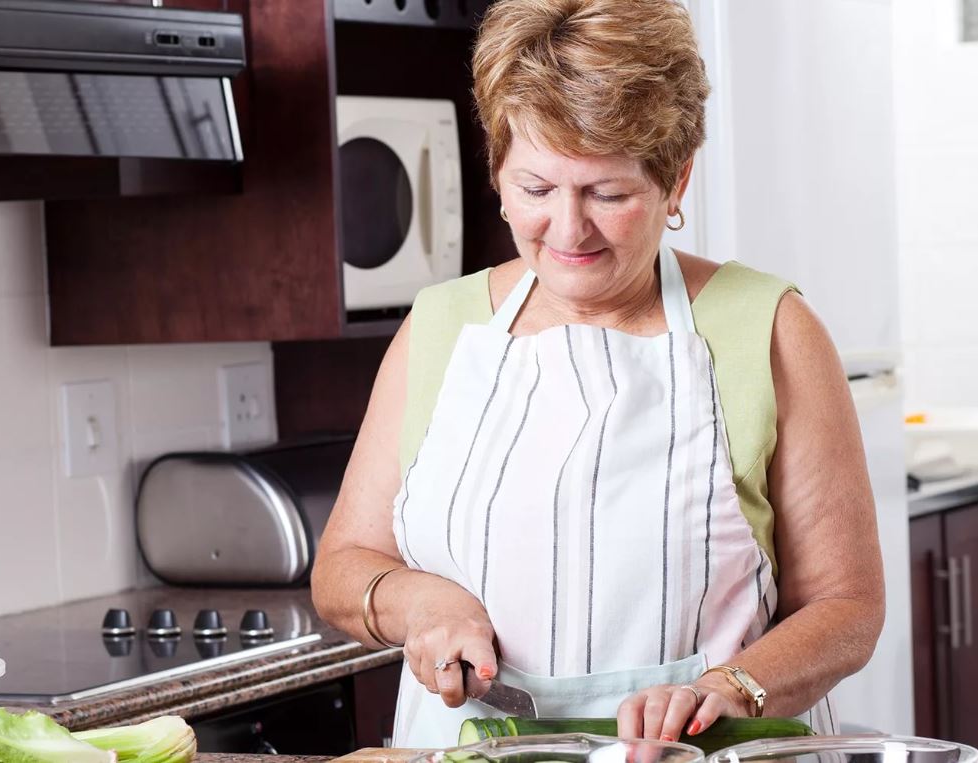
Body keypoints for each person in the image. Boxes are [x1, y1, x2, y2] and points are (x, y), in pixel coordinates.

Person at [311, 0, 884, 747]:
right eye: (535, 190)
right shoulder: (441, 327)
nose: (568, 229)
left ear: (674, 182)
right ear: (495, 168)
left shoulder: (766, 329)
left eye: (608, 194)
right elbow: (342, 565)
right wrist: (416, 601)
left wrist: (727, 688)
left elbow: (846, 604)